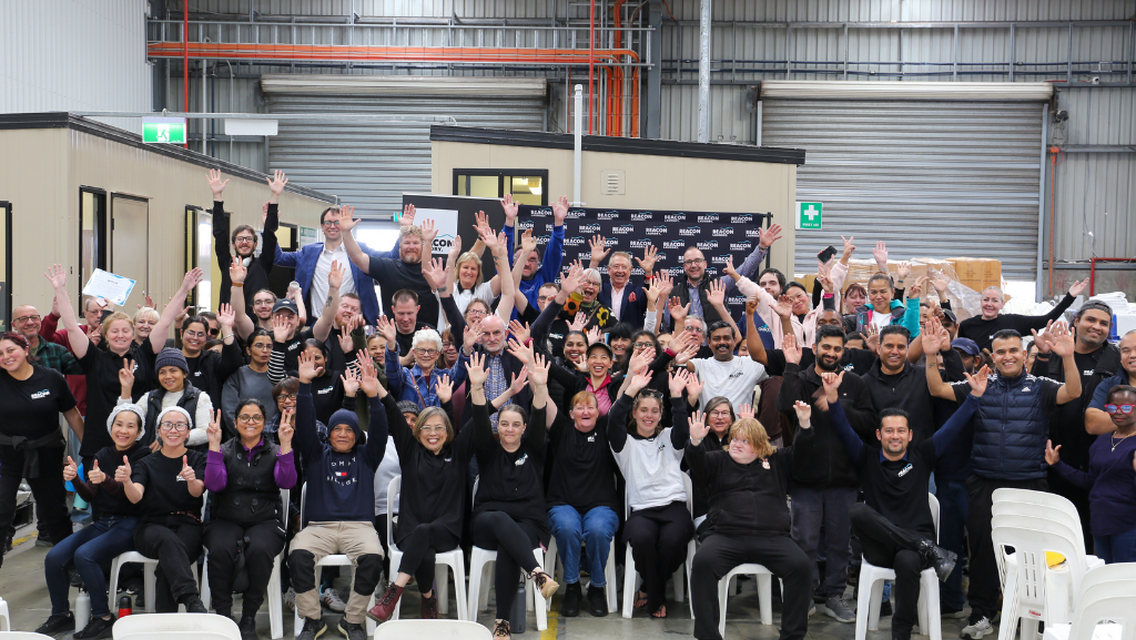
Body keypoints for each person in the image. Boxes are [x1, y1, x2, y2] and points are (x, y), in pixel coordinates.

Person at [924, 321, 1082, 639]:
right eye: (1001, 352)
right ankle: (982, 614)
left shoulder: (1041, 386)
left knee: (1032, 554)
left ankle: (1032, 615)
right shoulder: (980, 385)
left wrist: (1067, 357)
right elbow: (937, 389)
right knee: (983, 551)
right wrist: (930, 356)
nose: (1007, 356)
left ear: (1024, 355)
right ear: (992, 357)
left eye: (1013, 351)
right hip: (985, 484)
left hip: (1029, 483)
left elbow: (1073, 392)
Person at [808, 367, 987, 640]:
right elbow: (843, 428)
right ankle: (927, 548)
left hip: (914, 545)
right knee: (858, 510)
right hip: (881, 546)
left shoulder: (924, 453)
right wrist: (832, 399)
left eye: (900, 431)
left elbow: (952, 428)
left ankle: (900, 635)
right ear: (879, 435)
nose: (895, 436)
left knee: (907, 561)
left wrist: (974, 396)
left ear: (910, 435)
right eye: (889, 431)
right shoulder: (866, 457)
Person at [775, 325, 877, 623]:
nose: (831, 353)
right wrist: (791, 365)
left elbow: (870, 422)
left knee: (839, 543)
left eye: (837, 349)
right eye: (826, 347)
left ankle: (834, 596)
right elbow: (784, 405)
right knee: (803, 541)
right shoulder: (802, 378)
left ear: (843, 352)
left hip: (845, 479)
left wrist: (837, 405)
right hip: (805, 478)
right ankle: (803, 595)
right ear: (816, 347)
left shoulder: (855, 383)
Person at [686, 409, 813, 640]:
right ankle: (708, 636)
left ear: (760, 445)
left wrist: (804, 425)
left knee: (801, 566)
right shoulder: (717, 460)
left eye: (745, 441)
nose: (737, 444)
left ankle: (793, 636)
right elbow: (696, 463)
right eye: (734, 439)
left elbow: (804, 454)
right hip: (725, 536)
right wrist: (695, 441)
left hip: (773, 538)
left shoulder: (777, 460)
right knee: (703, 563)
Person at [290, 352, 388, 640]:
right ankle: (312, 619)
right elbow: (306, 425)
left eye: (349, 430)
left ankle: (352, 621)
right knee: (297, 556)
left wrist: (373, 398)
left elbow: (381, 431)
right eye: (337, 430)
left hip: (360, 527)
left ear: (357, 434)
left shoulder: (367, 457)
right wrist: (305, 386)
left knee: (373, 558)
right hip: (319, 528)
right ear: (329, 434)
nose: (343, 434)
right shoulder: (316, 454)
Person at [463, 351, 559, 639]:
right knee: (502, 521)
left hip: (528, 523)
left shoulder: (535, 450)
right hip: (485, 522)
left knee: (509, 544)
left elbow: (540, 415)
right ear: (498, 426)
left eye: (516, 424)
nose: (509, 429)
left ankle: (502, 623)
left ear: (524, 428)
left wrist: (539, 386)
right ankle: (538, 574)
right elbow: (479, 418)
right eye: (504, 423)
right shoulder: (488, 450)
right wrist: (477, 387)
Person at [368, 375, 475, 621]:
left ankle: (393, 594)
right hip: (410, 529)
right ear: (417, 431)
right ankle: (428, 598)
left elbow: (477, 419)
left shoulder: (457, 452)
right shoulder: (410, 450)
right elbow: (394, 412)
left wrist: (477, 388)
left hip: (446, 530)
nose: (432, 433)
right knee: (423, 546)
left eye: (439, 428)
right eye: (426, 428)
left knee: (425, 533)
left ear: (447, 431)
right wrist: (378, 388)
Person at [37, 405, 149, 639]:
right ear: (111, 428)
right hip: (102, 523)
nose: (124, 430)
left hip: (131, 523)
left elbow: (129, 495)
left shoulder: (144, 456)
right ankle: (61, 615)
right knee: (54, 558)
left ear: (139, 432)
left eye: (131, 426)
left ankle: (103, 617)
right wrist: (76, 480)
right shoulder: (102, 455)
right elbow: (89, 495)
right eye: (119, 424)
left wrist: (107, 479)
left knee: (84, 555)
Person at [203, 400, 296, 639]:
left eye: (256, 417)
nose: (250, 422)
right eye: (244, 417)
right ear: (235, 422)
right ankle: (224, 614)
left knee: (260, 549)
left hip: (265, 520)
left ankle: (248, 616)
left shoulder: (275, 451)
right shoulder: (223, 450)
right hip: (226, 518)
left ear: (264, 423)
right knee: (220, 549)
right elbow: (215, 484)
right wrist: (213, 445)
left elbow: (287, 482)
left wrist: (286, 444)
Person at [608, 368, 695, 619]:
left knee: (673, 541)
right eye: (643, 410)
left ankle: (648, 589)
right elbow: (613, 420)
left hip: (674, 508)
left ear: (660, 415)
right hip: (642, 510)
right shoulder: (624, 444)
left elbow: (682, 425)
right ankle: (657, 595)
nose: (649, 415)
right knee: (642, 540)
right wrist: (631, 390)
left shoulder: (670, 437)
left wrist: (677, 396)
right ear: (634, 413)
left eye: (654, 411)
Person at [1032, 301, 1119, 544]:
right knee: (1055, 537)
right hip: (1052, 461)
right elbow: (1036, 391)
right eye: (1091, 320)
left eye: (1104, 323)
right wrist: (1042, 355)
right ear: (1076, 321)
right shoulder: (1054, 353)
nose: (1097, 327)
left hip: (1096, 463)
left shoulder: (1115, 361)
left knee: (1091, 538)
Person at [0, 332, 84, 569]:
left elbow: (72, 415)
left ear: (26, 350)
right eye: (0, 354)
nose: (6, 357)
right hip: (7, 455)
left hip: (45, 452)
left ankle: (69, 566)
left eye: (10, 350)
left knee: (54, 513)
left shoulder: (51, 378)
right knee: (1, 510)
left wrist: (88, 450)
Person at [45, 265, 140, 470]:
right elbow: (69, 326)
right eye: (114, 331)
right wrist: (60, 291)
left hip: (134, 431)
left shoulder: (140, 354)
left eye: (125, 331)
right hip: (92, 424)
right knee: (91, 479)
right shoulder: (91, 354)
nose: (120, 335)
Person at [118, 406, 208, 613]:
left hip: (188, 524)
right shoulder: (145, 463)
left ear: (188, 432)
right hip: (151, 527)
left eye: (180, 425)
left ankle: (165, 625)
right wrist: (126, 482)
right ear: (159, 430)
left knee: (169, 563)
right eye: (167, 425)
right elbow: (136, 496)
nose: (173, 430)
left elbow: (197, 493)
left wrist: (191, 479)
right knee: (168, 541)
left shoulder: (197, 459)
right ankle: (191, 600)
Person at [544, 381, 620, 618]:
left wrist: (633, 378)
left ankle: (597, 587)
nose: (585, 412)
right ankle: (573, 586)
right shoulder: (561, 430)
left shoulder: (607, 428)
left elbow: (624, 400)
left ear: (599, 413)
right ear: (571, 413)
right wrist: (537, 379)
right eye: (580, 408)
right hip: (563, 503)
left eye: (590, 408)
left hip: (601, 505)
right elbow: (543, 398)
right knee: (567, 528)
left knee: (598, 530)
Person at [1046, 385, 1136, 563]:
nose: (1118, 412)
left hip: (1129, 526)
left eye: (1126, 407)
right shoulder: (1101, 442)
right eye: (1112, 408)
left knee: (1126, 583)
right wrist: (1058, 465)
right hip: (1100, 523)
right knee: (1103, 580)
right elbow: (1092, 481)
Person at [339, 204, 438, 328]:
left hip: (429, 339)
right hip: (393, 339)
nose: (411, 246)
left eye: (415, 243)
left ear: (423, 245)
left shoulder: (436, 270)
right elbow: (358, 258)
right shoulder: (388, 267)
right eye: (407, 243)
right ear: (399, 246)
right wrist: (346, 232)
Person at [666, 223, 782, 329]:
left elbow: (745, 270)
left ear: (705, 264)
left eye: (697, 260)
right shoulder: (673, 292)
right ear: (684, 266)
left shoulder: (719, 285)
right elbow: (667, 324)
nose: (693, 265)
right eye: (689, 262)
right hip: (683, 348)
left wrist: (761, 247)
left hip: (714, 346)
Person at [209, 169, 284, 307]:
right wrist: (217, 196)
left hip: (257, 325)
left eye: (249, 239)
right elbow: (219, 233)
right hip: (230, 323)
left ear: (255, 244)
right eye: (240, 239)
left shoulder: (263, 264)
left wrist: (275, 196)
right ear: (233, 244)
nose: (244, 242)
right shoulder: (227, 264)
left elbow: (269, 234)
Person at [120, 347, 214, 449]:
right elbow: (125, 420)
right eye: (162, 372)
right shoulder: (150, 398)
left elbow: (206, 431)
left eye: (173, 371)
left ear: (184, 373)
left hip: (188, 459)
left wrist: (169, 438)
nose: (168, 376)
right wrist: (126, 388)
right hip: (151, 459)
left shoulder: (199, 397)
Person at [957, 278, 1086, 351]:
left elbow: (1045, 320)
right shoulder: (967, 325)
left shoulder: (1012, 322)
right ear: (981, 302)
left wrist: (1069, 297)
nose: (989, 304)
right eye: (986, 300)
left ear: (1002, 304)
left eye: (995, 301)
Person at [686, 320, 768, 413]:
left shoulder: (750, 364)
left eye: (726, 338)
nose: (722, 342)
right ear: (709, 342)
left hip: (740, 426)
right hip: (707, 426)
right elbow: (680, 363)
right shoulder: (700, 365)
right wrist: (680, 320)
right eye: (716, 338)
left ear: (734, 341)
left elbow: (779, 362)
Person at [502, 194, 568, 309]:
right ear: (513, 262)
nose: (527, 264)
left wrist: (559, 222)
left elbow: (554, 253)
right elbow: (503, 251)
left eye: (532, 260)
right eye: (522, 259)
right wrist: (509, 221)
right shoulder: (505, 280)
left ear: (538, 264)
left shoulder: (544, 277)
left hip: (539, 327)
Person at [588, 238, 657, 329]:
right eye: (616, 266)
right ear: (609, 269)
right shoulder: (601, 289)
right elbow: (588, 285)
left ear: (630, 270)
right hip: (602, 339)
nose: (620, 271)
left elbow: (651, 298)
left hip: (630, 340)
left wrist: (648, 272)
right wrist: (594, 262)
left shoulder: (638, 291)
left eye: (624, 267)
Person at [221, 329, 278, 436]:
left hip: (274, 438)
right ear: (248, 350)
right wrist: (248, 434)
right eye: (259, 345)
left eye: (269, 346)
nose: (265, 350)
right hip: (242, 439)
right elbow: (230, 413)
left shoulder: (279, 375)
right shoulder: (237, 376)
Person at [1086, 330, 1136, 435]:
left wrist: (1118, 416)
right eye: (1126, 351)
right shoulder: (1108, 385)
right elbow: (1093, 424)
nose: (1132, 355)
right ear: (1121, 358)